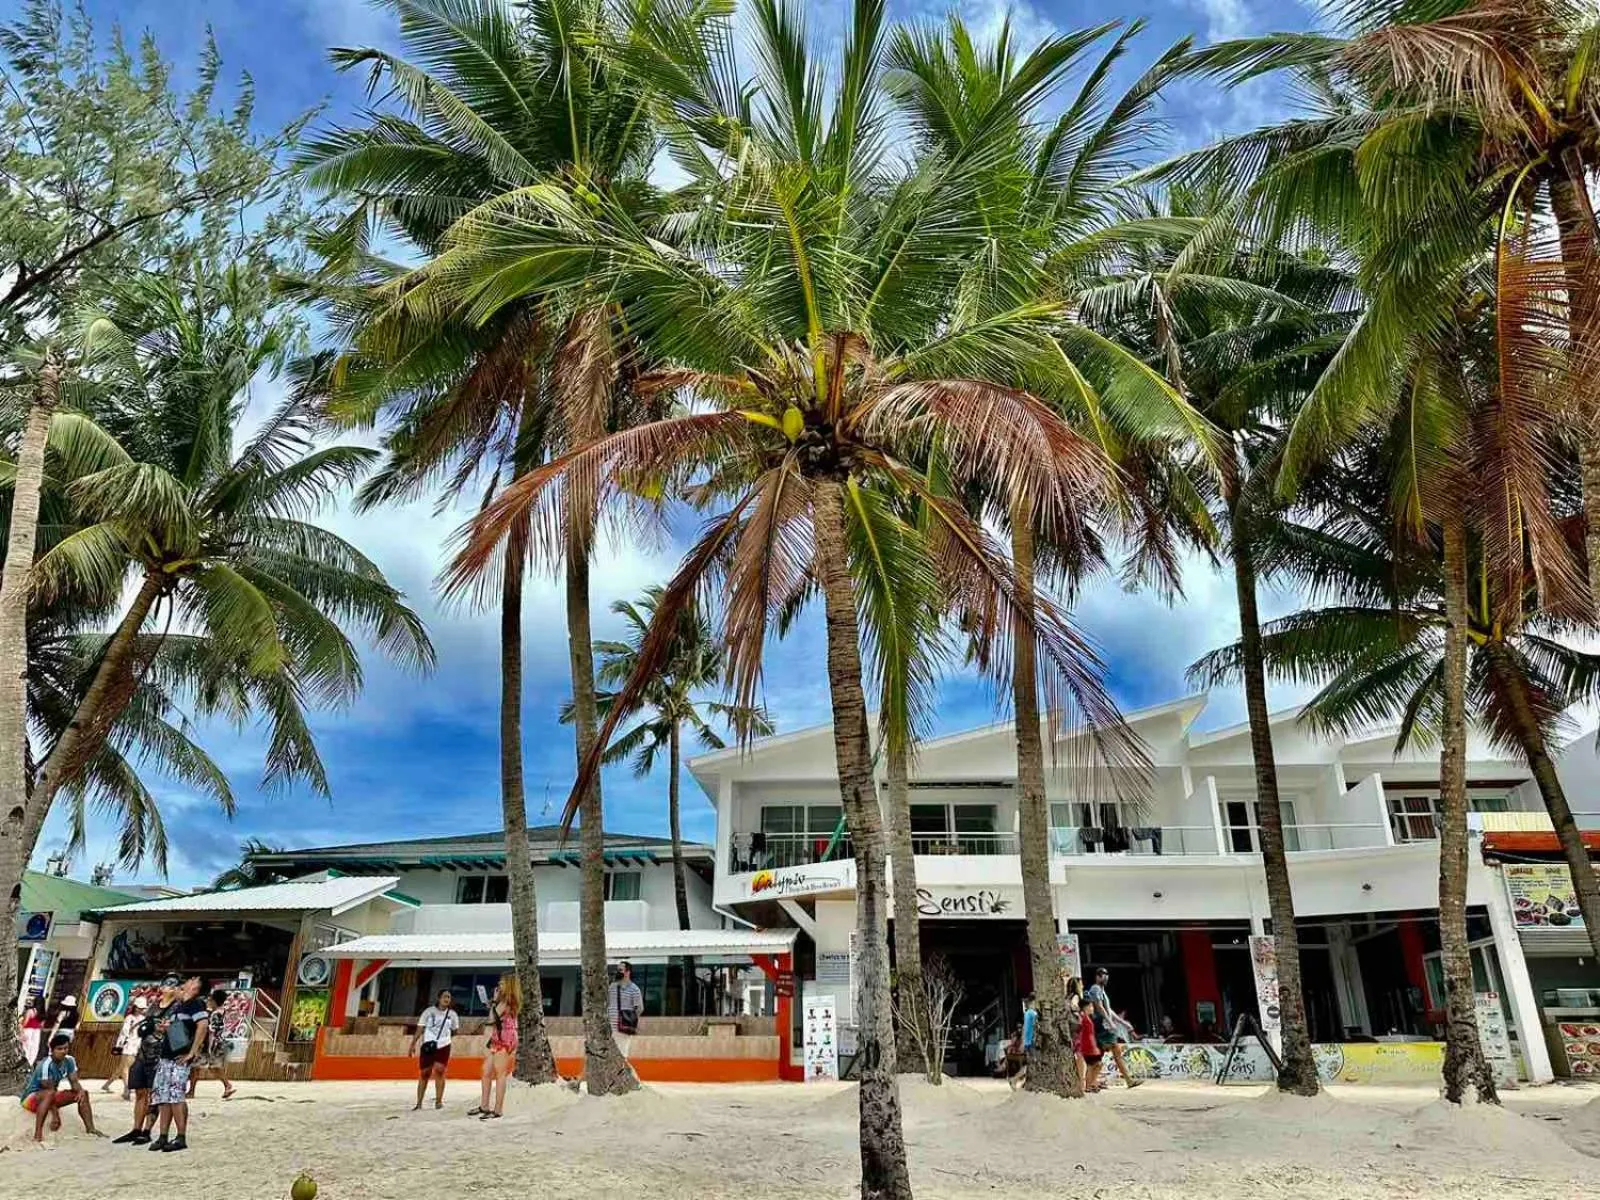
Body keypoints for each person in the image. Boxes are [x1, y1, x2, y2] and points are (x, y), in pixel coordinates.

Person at [114, 978, 178, 1145]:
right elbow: (146, 1024)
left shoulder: (176, 1007)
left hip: (160, 1054)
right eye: (165, 984)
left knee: (153, 1094)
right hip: (143, 1052)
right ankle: (136, 1128)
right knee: (140, 1092)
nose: (166, 987)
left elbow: (174, 1029)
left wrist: (160, 1028)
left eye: (171, 985)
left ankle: (147, 1130)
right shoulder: (154, 1005)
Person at [148, 975, 207, 1152]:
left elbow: (203, 1025)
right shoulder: (179, 1007)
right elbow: (180, 1030)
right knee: (163, 1097)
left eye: (194, 980)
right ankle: (163, 1136)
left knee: (176, 1097)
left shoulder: (196, 1004)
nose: (189, 980)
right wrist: (166, 1028)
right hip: (168, 1055)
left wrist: (192, 1052)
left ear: (196, 988)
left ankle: (181, 1137)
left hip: (179, 1057)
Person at [20, 1034, 102, 1142]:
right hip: (31, 1099)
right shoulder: (45, 1065)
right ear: (52, 1050)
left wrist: (80, 1091)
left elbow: (74, 1082)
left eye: (66, 1048)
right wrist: (55, 1115)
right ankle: (37, 1134)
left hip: (50, 1095)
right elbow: (50, 1091)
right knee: (49, 1093)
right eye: (59, 1049)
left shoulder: (69, 1060)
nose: (63, 1051)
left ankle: (91, 1129)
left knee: (83, 1094)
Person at [470, 975, 520, 1120]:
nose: (499, 986)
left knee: (500, 1074)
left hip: (504, 1038)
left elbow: (492, 1018)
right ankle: (484, 1105)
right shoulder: (504, 1001)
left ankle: (498, 1110)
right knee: (486, 1071)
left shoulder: (507, 1000)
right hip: (497, 1038)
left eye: (502, 984)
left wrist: (494, 1001)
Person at [1085, 967, 1141, 1088]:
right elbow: (1099, 1007)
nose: (1105, 977)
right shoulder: (1095, 988)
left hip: (1105, 1026)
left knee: (1100, 1056)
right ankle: (1127, 1080)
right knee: (1112, 1053)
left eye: (1106, 975)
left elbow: (1108, 1009)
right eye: (1102, 975)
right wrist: (1110, 1021)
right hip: (1102, 1027)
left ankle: (1091, 1083)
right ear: (1097, 976)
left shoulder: (1102, 991)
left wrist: (1122, 1022)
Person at [409, 989, 459, 1111]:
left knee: (440, 1071)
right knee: (425, 1072)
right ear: (439, 998)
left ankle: (438, 1101)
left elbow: (455, 1030)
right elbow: (420, 1028)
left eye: (449, 997)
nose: (447, 999)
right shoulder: (429, 1012)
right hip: (428, 1044)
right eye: (444, 997)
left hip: (444, 1044)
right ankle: (419, 1102)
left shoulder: (452, 1014)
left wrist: (445, 1038)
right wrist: (413, 1043)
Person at [188, 989, 237, 1100]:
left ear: (214, 1001)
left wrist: (205, 1045)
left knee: (209, 1067)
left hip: (215, 1044)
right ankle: (192, 1090)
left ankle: (227, 1085)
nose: (209, 1001)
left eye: (210, 999)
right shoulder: (222, 1011)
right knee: (198, 1066)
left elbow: (212, 1031)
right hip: (220, 1043)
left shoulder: (215, 1014)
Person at [103, 996, 148, 1096]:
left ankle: (107, 1085)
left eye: (142, 1008)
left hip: (136, 1045)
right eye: (140, 1008)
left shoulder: (143, 1019)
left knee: (123, 1067)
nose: (141, 1010)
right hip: (128, 1044)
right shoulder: (129, 1018)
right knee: (125, 1068)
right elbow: (125, 1032)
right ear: (135, 1007)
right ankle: (127, 1088)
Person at [606, 961, 643, 1054]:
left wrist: (630, 1019)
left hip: (623, 1027)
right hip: (608, 1027)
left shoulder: (634, 989)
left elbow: (639, 1008)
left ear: (627, 972)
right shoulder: (611, 987)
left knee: (622, 1054)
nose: (617, 972)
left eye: (620, 970)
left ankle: (626, 1069)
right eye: (617, 970)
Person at [1077, 996, 1104, 1093]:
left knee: (1096, 1065)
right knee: (1093, 1065)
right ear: (1085, 1007)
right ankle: (1089, 1085)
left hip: (1090, 1045)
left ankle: (1091, 1084)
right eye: (1091, 1006)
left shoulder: (1087, 1017)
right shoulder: (1083, 1017)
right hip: (1087, 1046)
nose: (1092, 1008)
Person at [18, 995, 44, 1065]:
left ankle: (22, 1063)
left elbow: (25, 1023)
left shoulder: (30, 1011)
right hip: (37, 1032)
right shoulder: (42, 1014)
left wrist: (20, 1024)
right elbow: (41, 1025)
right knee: (34, 1049)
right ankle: (30, 1063)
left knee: (25, 1047)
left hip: (28, 1030)